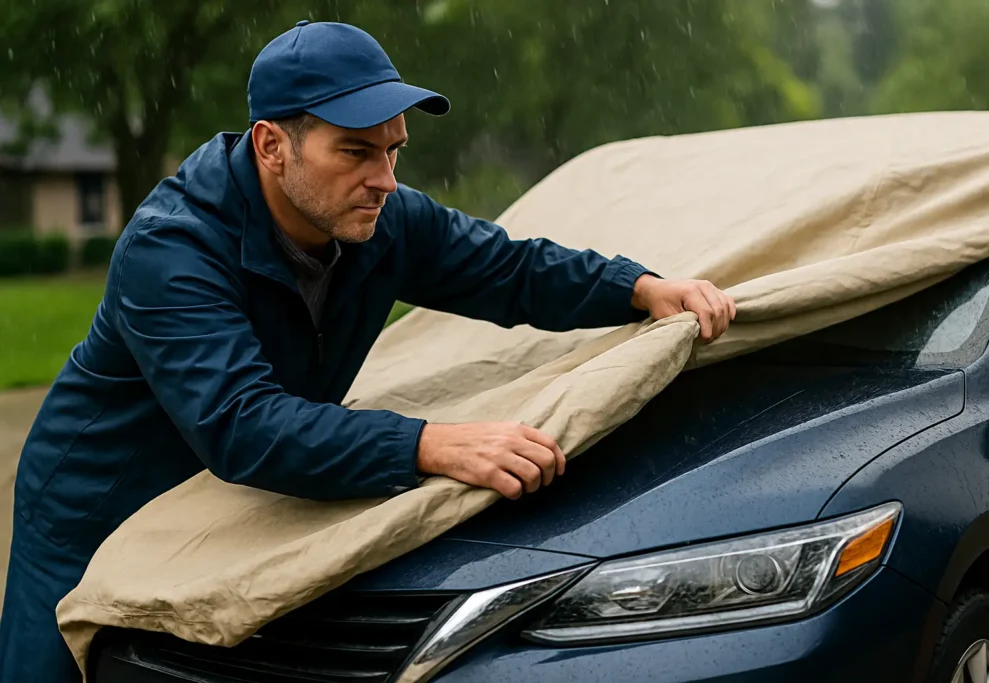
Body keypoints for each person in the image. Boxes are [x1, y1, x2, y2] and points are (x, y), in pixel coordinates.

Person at [0, 20, 735, 682]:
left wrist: (637, 287)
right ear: (271, 145)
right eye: (355, 150)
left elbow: (509, 269)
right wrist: (429, 443)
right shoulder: (172, 248)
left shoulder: (382, 218)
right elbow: (242, 424)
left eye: (392, 150)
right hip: (95, 519)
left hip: (234, 513)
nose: (384, 179)